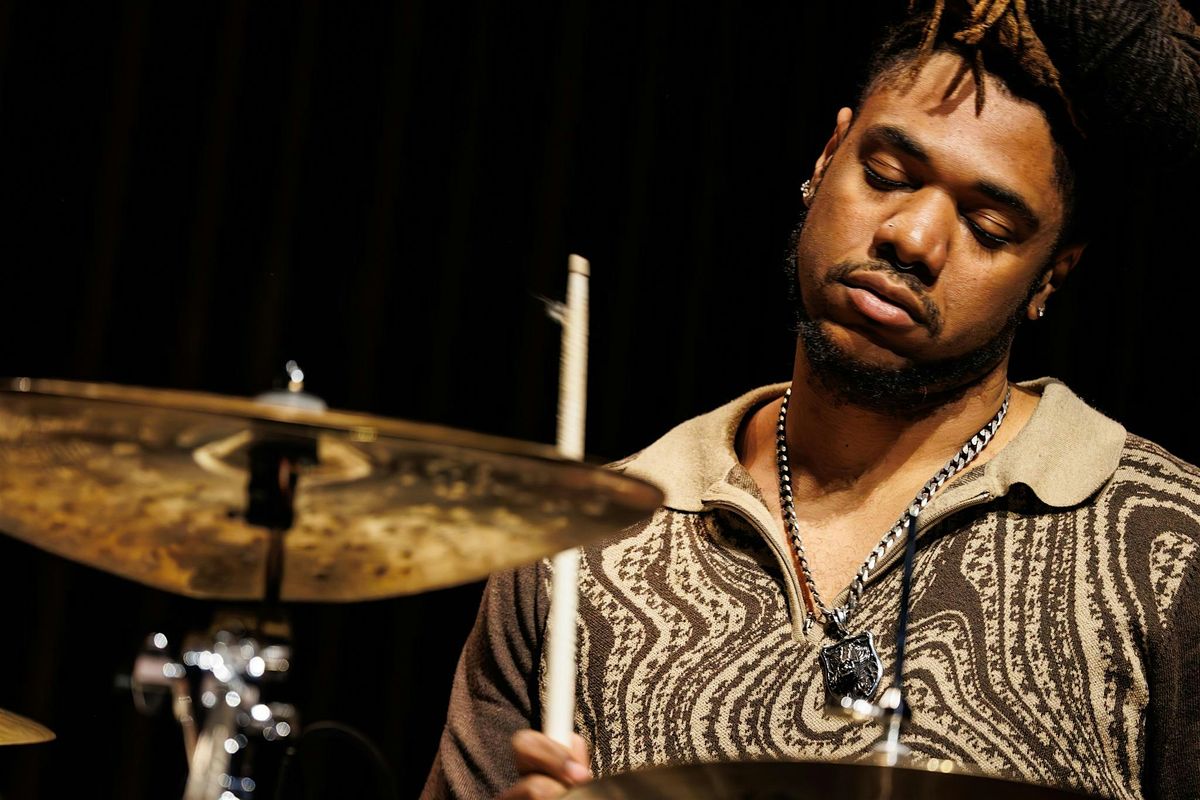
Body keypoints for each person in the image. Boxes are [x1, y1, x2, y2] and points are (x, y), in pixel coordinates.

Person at [423, 2, 1200, 798]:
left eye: (988, 225)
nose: (913, 238)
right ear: (829, 155)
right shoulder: (582, 545)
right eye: (886, 176)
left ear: (1051, 275)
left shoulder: (1170, 545)